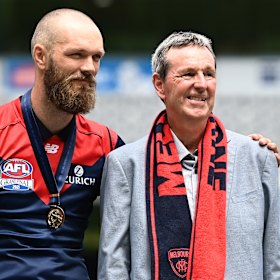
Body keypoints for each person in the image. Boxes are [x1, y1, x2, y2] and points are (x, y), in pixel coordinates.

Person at [98, 31, 280, 280]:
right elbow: (113, 266)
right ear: (159, 85)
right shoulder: (125, 164)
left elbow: (274, 261)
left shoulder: (259, 158)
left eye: (209, 74)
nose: (201, 83)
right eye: (188, 74)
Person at [0, 8, 124, 280]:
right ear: (41, 56)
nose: (90, 68)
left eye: (96, 57)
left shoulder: (107, 144)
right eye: (77, 55)